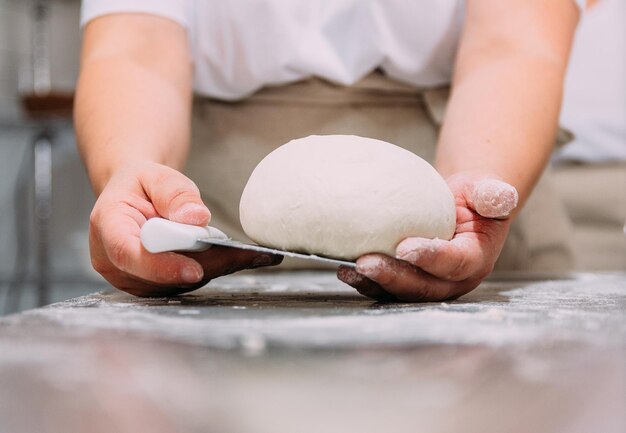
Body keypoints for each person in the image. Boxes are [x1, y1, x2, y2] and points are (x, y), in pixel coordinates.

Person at [75, 0, 583, 301]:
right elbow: (135, 48)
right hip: (223, 219)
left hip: (474, 168)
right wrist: (132, 170)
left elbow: (514, 46)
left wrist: (479, 180)